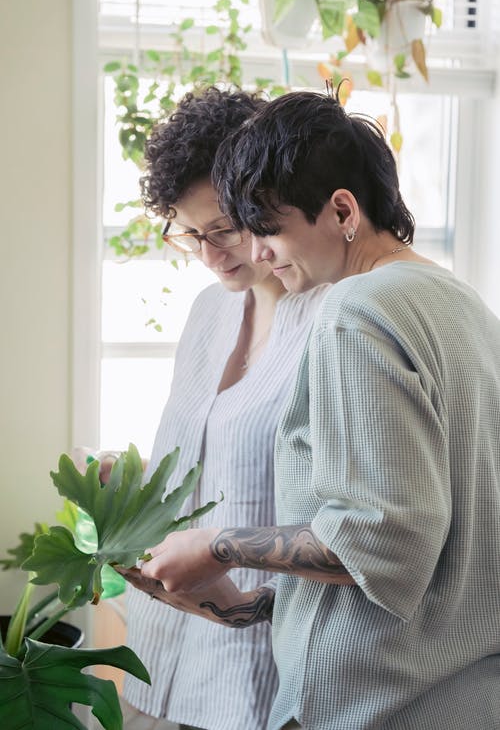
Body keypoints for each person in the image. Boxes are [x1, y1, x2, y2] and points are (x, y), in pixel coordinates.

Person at [124, 90, 500, 730]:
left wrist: (218, 546)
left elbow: (382, 539)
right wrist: (243, 605)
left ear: (342, 209)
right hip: (458, 688)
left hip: (373, 701)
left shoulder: (355, 311)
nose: (258, 252)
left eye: (262, 229)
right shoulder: (463, 306)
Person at [116, 88, 327, 730]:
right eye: (189, 232)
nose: (210, 256)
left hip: (262, 671)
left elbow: (350, 524)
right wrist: (125, 488)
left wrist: (240, 597)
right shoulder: (208, 312)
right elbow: (199, 462)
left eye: (223, 229)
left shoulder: (333, 323)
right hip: (163, 649)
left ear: (267, 203)